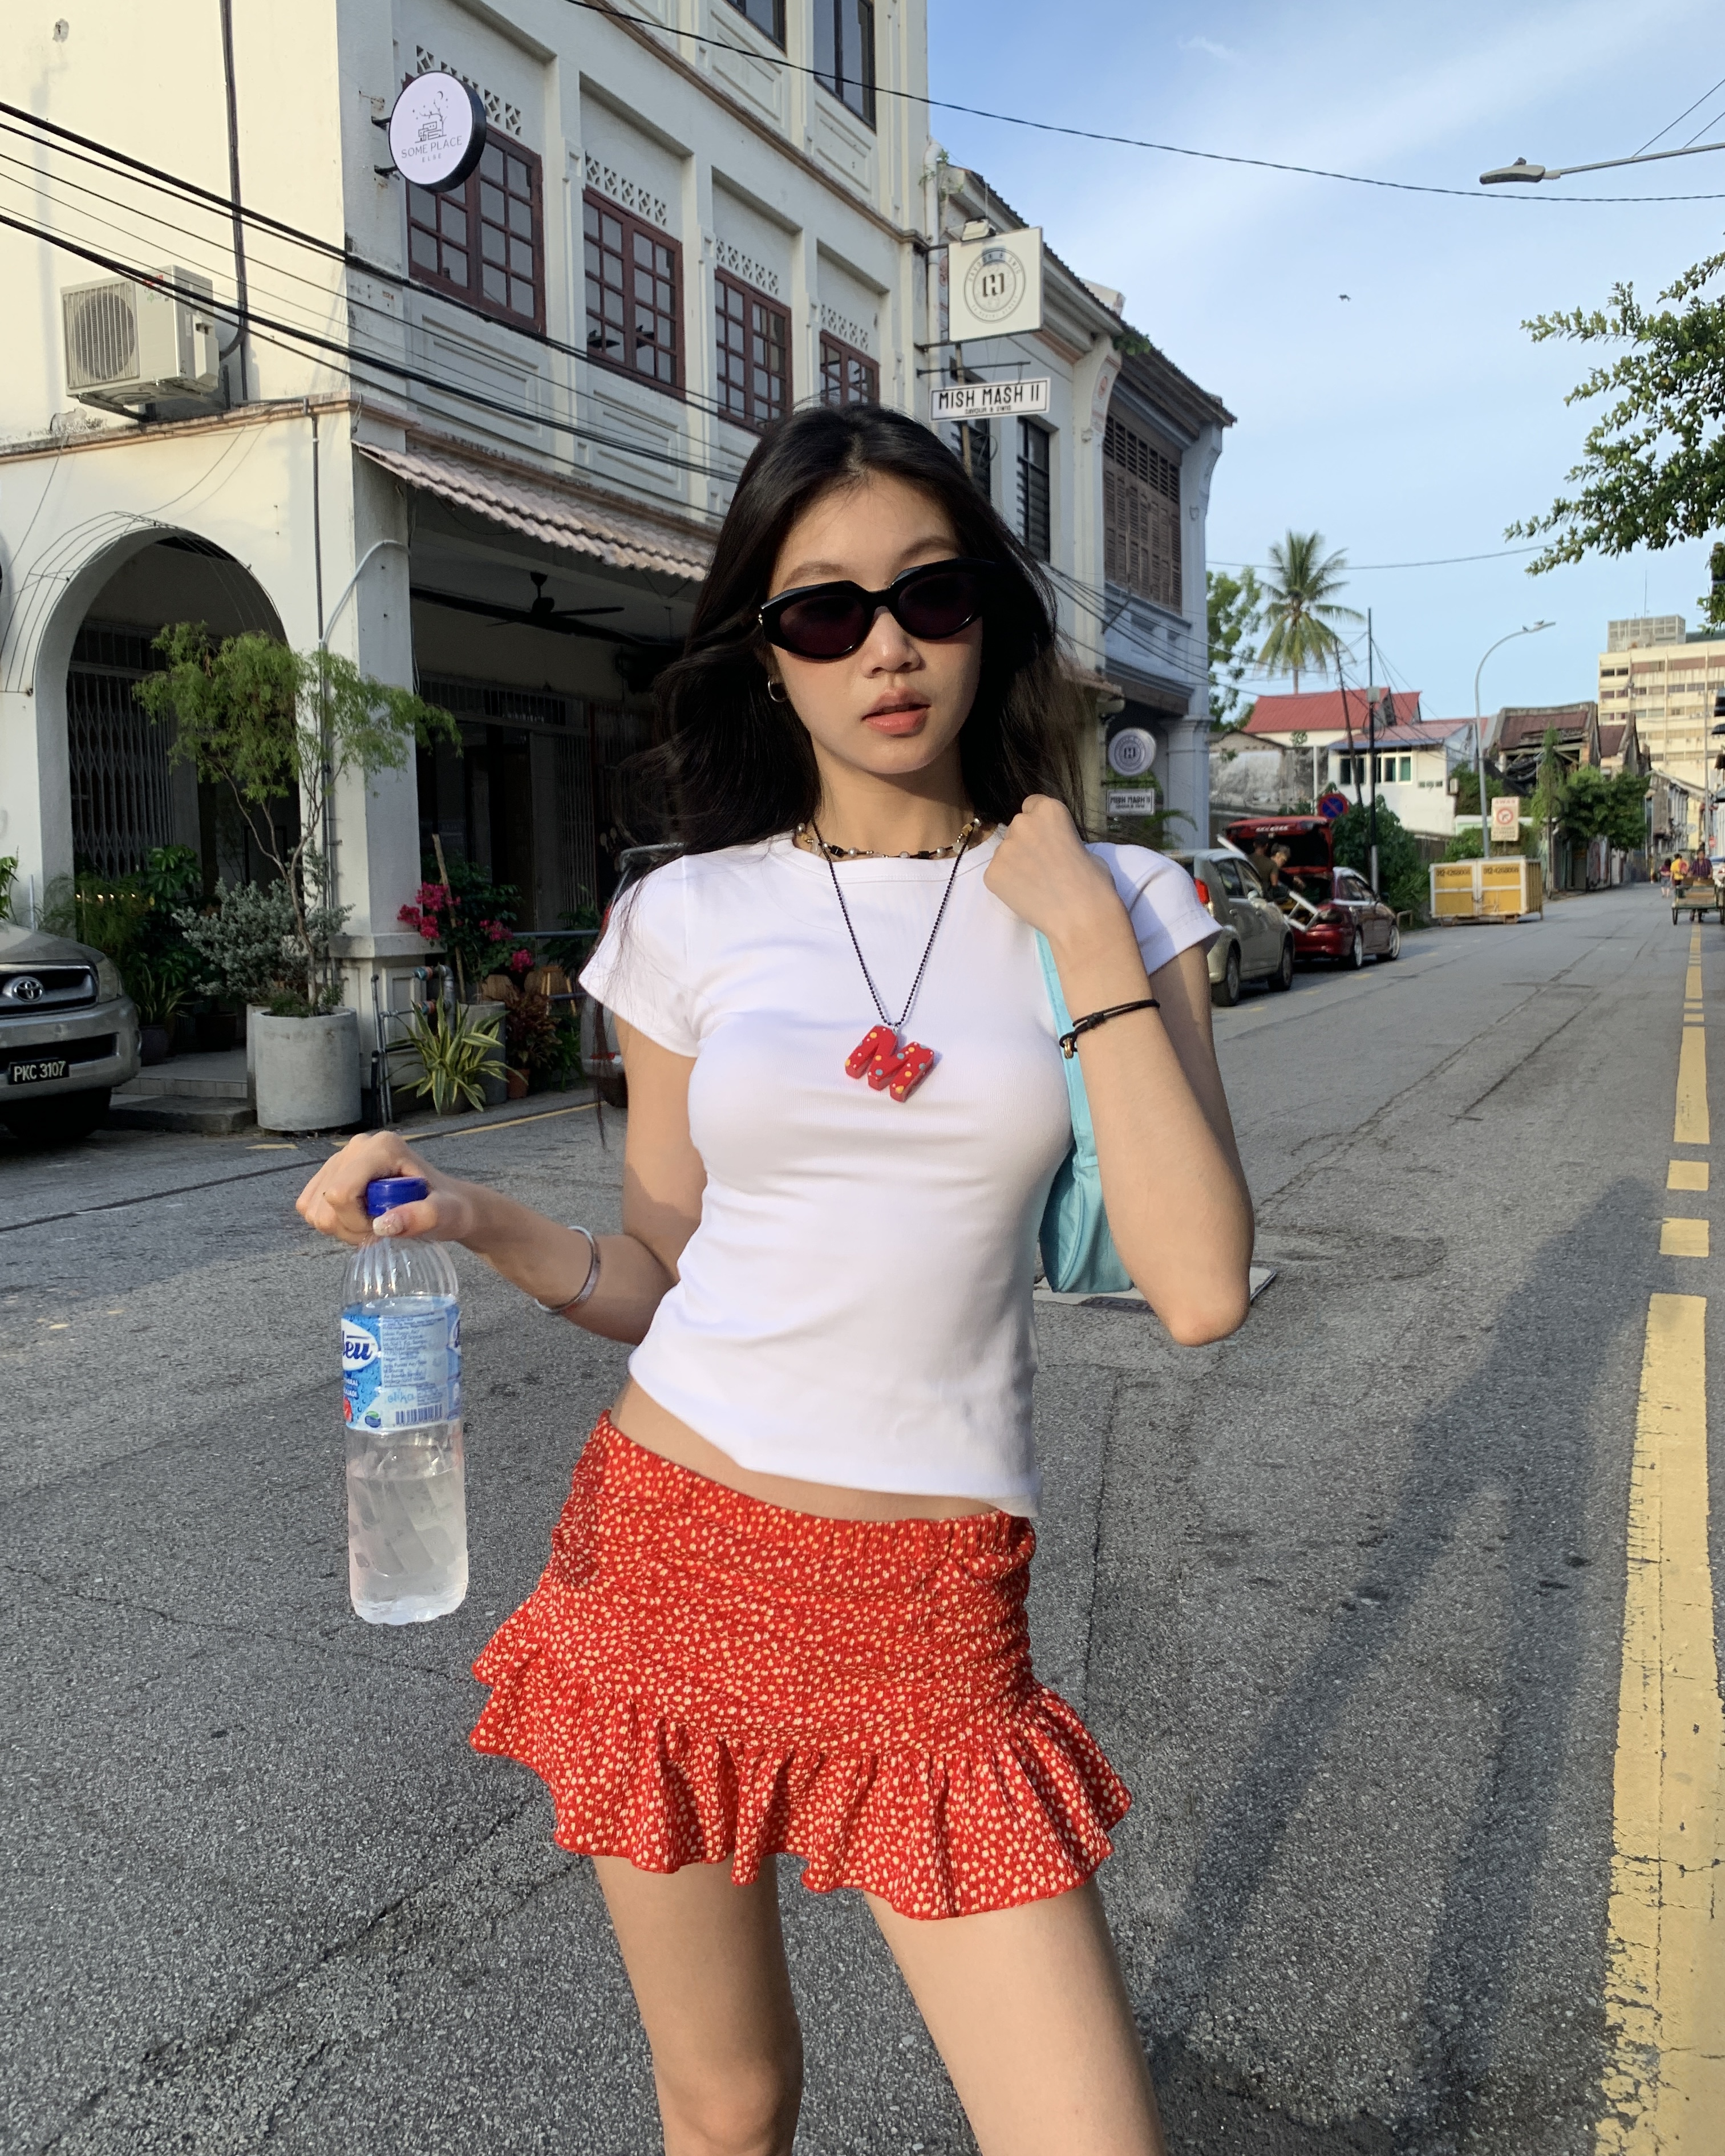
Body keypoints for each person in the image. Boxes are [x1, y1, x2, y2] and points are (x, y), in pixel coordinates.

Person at [297, 404, 1254, 2156]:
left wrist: (1088, 930)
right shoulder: (690, 917)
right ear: (768, 657)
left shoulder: (1123, 898)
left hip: (927, 1603)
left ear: (989, 620)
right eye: (823, 612)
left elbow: (1199, 1286)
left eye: (929, 596)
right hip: (670, 1541)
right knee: (727, 2102)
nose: (883, 645)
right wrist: (473, 1220)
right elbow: (660, 1266)